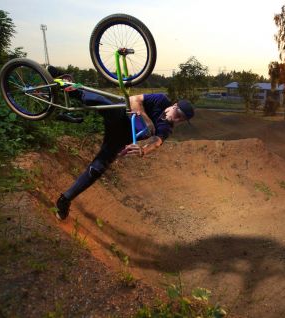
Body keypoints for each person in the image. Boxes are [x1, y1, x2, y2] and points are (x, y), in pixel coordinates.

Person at [47, 66, 194, 220]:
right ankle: (64, 83)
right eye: (178, 114)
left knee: (97, 169)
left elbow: (156, 142)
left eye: (181, 120)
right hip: (119, 117)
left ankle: (64, 200)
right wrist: (147, 119)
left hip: (120, 139)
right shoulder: (161, 100)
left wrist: (143, 151)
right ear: (174, 105)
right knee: (104, 102)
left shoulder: (166, 128)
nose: (177, 119)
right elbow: (133, 100)